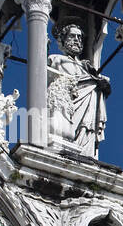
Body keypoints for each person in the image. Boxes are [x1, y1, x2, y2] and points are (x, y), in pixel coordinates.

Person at [46, 22, 110, 157]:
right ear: (63, 40)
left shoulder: (86, 67)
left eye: (79, 37)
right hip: (67, 108)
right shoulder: (56, 59)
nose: (76, 40)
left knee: (87, 129)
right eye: (72, 36)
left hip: (88, 109)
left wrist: (100, 83)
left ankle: (86, 151)